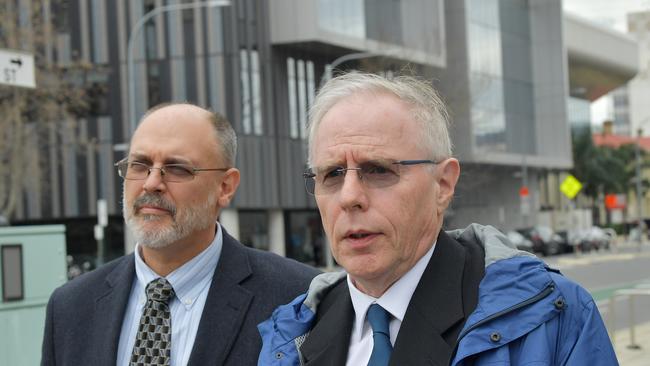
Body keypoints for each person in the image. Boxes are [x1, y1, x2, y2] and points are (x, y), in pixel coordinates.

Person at [258, 73, 617, 365]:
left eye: (379, 170)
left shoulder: (551, 317)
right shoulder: (291, 334)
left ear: (443, 184)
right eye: (333, 174)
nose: (350, 196)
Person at [41, 103, 319, 366]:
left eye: (176, 168)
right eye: (139, 165)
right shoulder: (70, 308)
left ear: (225, 187)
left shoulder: (297, 297)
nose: (151, 183)